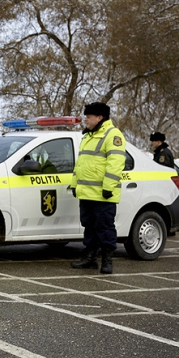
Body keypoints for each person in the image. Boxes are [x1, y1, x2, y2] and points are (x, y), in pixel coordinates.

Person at [70, 102, 126, 274]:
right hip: (87, 193)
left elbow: (115, 163)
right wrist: (74, 184)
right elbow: (81, 164)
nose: (86, 119)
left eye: (89, 116)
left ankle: (107, 261)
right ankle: (90, 258)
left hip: (103, 194)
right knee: (89, 226)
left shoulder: (113, 135)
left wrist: (108, 187)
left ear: (100, 117)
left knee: (105, 227)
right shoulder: (88, 136)